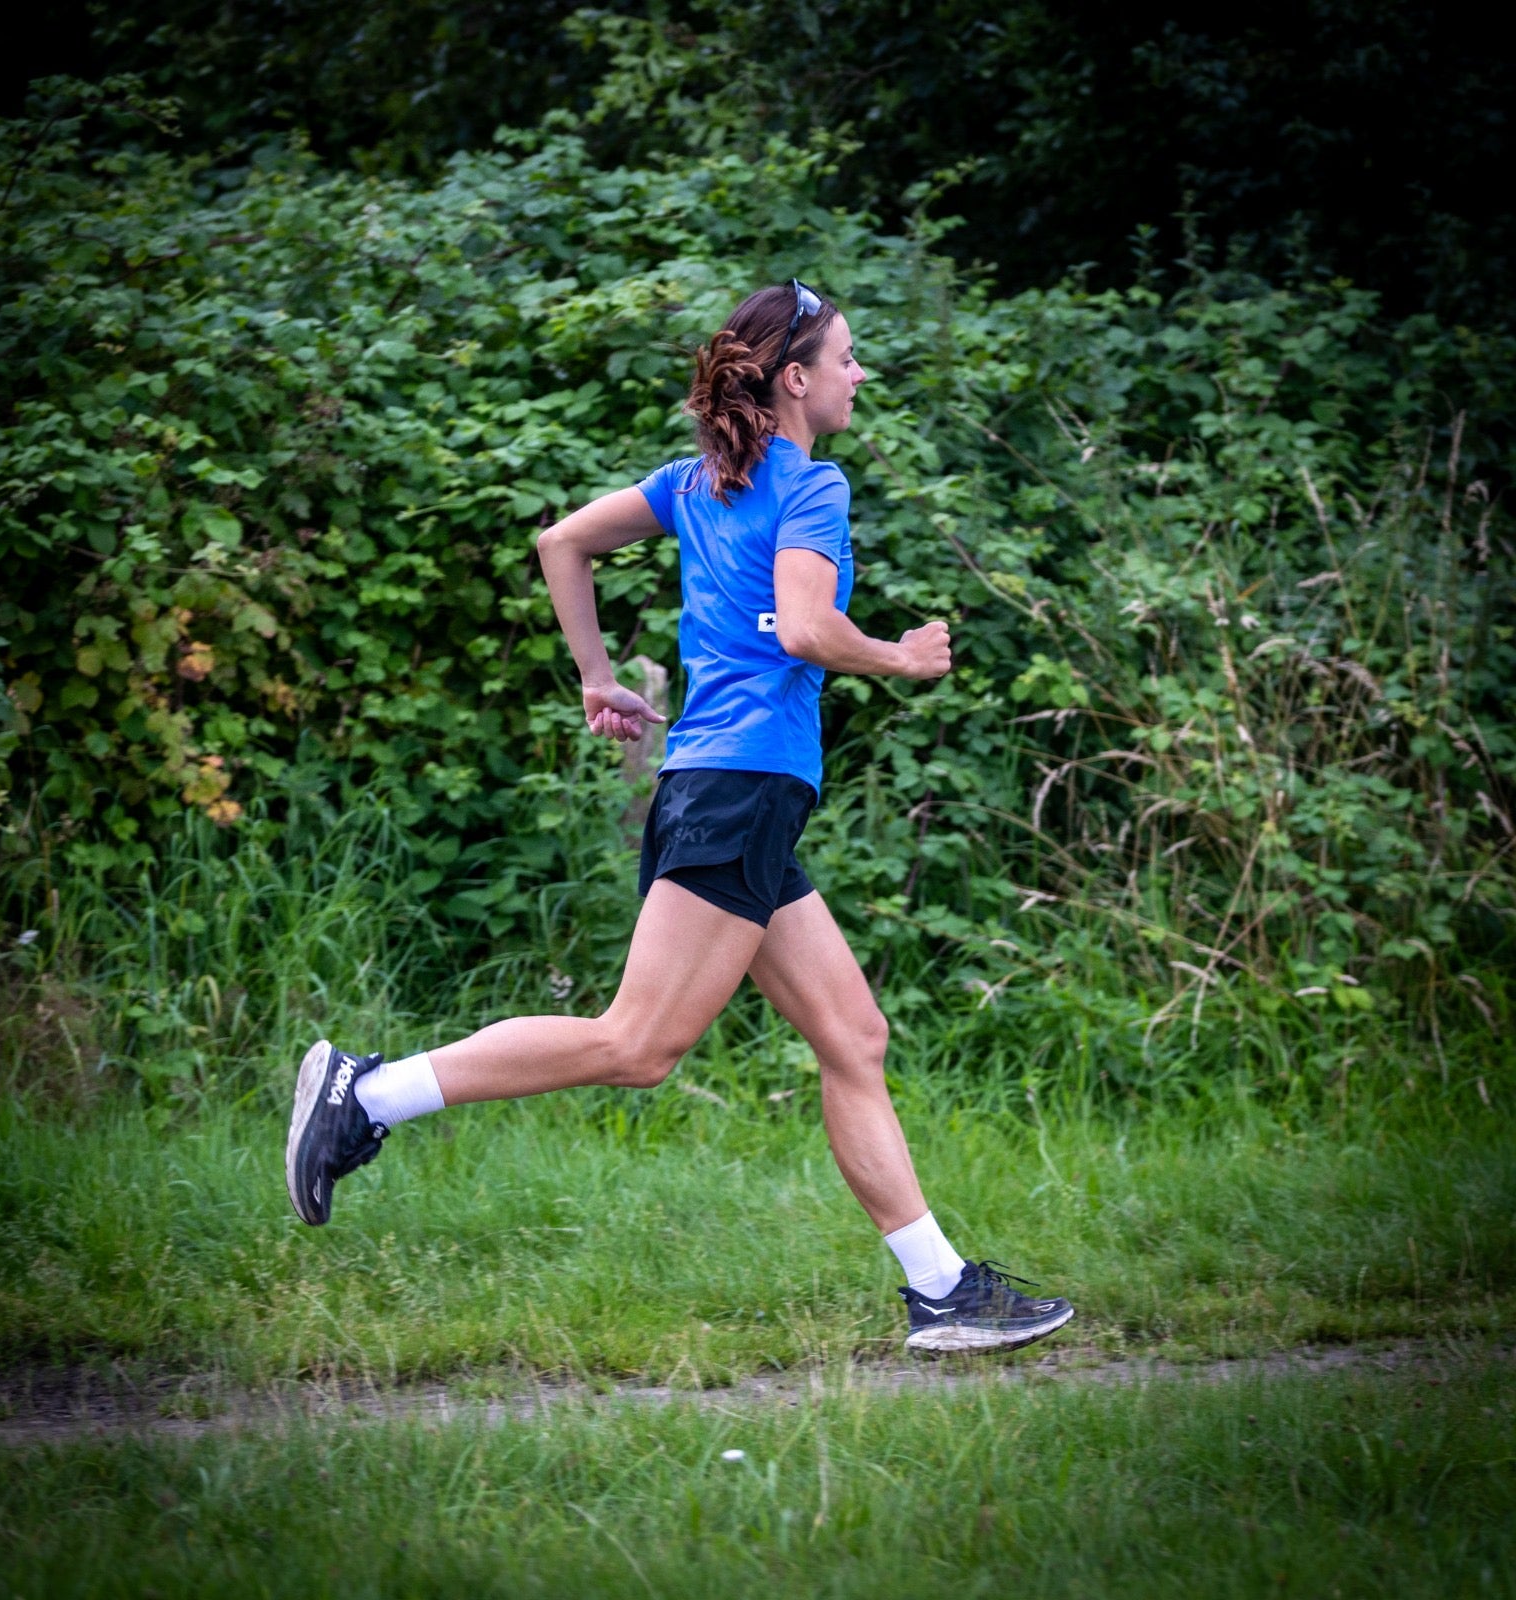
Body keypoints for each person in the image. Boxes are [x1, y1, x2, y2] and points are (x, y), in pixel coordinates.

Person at [285, 280, 1075, 1353]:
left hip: (726, 790)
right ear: (793, 378)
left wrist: (596, 675)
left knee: (853, 1034)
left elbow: (561, 541)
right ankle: (369, 1095)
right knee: (638, 1043)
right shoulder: (811, 486)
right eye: (844, 357)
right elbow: (803, 628)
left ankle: (940, 1290)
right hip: (741, 787)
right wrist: (896, 655)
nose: (858, 374)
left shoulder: (696, 484)